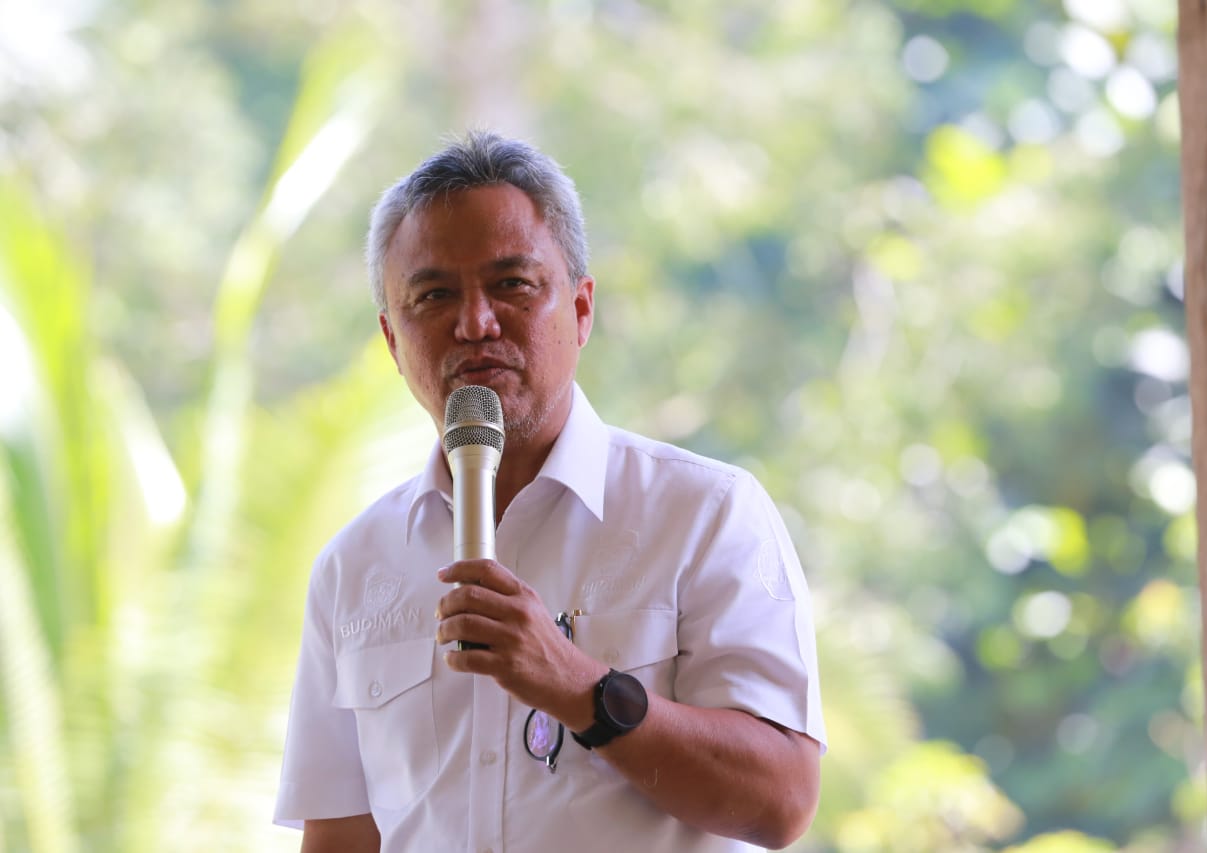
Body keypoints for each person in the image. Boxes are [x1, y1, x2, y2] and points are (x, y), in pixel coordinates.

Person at [274, 130, 826, 853]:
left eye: (513, 284)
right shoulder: (354, 566)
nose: (475, 323)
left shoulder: (706, 514)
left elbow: (781, 801)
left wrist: (576, 686)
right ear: (391, 340)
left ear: (582, 308)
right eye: (434, 295)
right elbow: (342, 837)